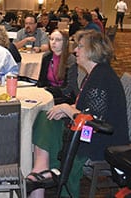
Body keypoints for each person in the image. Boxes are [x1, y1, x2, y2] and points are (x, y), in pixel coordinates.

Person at [28, 29, 129, 198]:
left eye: (80, 47)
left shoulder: (102, 77)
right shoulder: (96, 73)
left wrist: (67, 109)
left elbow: (94, 120)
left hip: (100, 142)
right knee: (45, 118)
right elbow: (87, 106)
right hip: (90, 132)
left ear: (93, 50)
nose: (75, 50)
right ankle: (41, 169)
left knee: (47, 123)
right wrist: (68, 108)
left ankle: (41, 174)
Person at [37, 30, 78, 105]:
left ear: (65, 42)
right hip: (48, 93)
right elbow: (41, 81)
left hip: (64, 96)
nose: (53, 42)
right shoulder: (46, 56)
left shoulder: (71, 60)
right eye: (51, 39)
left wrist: (48, 91)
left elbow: (69, 88)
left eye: (58, 40)